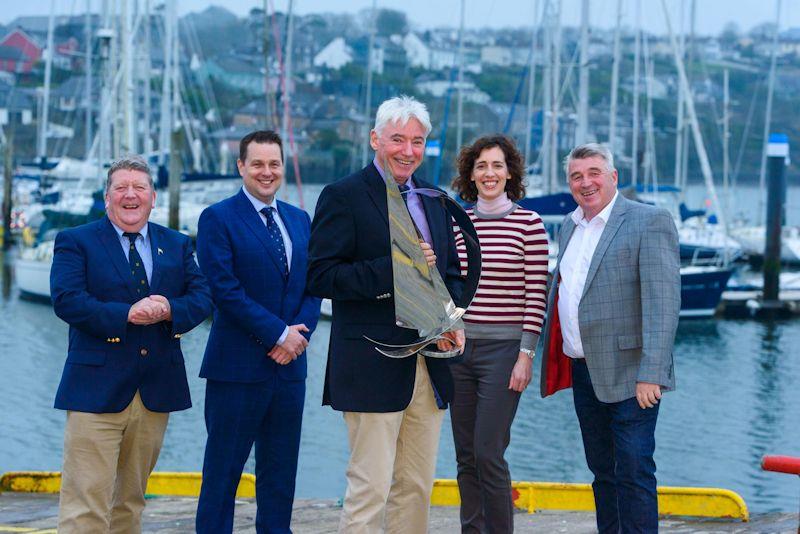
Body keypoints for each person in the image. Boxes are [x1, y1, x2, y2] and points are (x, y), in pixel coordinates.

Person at [307, 95, 465, 533]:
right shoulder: (342, 196)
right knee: (369, 489)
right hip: (370, 364)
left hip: (429, 365)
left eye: (417, 141)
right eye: (398, 139)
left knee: (415, 488)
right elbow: (320, 276)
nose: (407, 151)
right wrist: (395, 268)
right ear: (375, 139)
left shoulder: (434, 199)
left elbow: (447, 272)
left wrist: (452, 322)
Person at [50, 155, 212, 533]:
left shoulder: (176, 243)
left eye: (139, 188)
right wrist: (127, 314)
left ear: (154, 197)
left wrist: (170, 308)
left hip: (155, 392)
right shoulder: (76, 241)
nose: (130, 195)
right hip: (94, 392)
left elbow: (203, 297)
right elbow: (67, 299)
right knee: (84, 505)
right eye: (121, 188)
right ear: (107, 197)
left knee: (130, 504)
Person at [540, 143, 680, 533]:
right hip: (584, 371)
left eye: (594, 173)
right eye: (576, 176)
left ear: (613, 177)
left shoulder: (648, 221)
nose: (586, 183)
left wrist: (652, 372)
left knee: (634, 472)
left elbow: (664, 302)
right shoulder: (570, 225)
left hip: (634, 374)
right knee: (602, 473)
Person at [195, 130, 321, 533]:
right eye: (257, 164)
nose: (267, 172)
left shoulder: (300, 219)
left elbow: (313, 285)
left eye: (274, 164)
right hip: (236, 370)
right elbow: (224, 290)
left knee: (280, 478)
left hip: (288, 373)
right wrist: (278, 334)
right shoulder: (217, 218)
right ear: (241, 167)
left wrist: (297, 340)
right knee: (221, 478)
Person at [449, 134, 549, 532]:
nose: (489, 173)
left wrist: (526, 355)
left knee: (489, 452)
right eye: (481, 166)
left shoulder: (530, 224)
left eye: (496, 165)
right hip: (459, 352)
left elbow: (536, 298)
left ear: (510, 173)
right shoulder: (458, 223)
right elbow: (448, 286)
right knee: (465, 455)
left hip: (504, 353)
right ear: (470, 176)